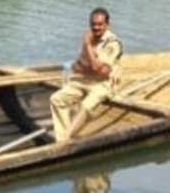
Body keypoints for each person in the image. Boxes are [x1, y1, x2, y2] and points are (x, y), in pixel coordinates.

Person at [50, 8, 123, 141]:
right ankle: (62, 139)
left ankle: (66, 138)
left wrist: (87, 45)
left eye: (100, 24)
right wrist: (88, 65)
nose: (96, 27)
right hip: (83, 80)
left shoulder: (112, 43)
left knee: (86, 106)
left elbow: (99, 70)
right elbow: (78, 66)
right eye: (93, 24)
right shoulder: (89, 37)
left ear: (107, 25)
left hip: (103, 83)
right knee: (56, 99)